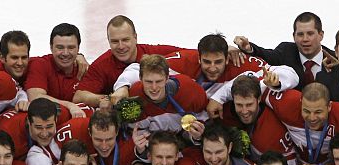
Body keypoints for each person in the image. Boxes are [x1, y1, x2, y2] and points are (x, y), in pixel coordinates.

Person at [113, 33, 298, 103]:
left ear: (227, 59)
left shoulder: (240, 62)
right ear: (198, 58)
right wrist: (121, 88)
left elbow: (289, 72)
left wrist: (276, 80)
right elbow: (138, 68)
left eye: (218, 62)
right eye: (207, 62)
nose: (212, 67)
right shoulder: (185, 60)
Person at [72, 15, 183, 107]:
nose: (121, 46)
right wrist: (110, 99)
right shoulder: (102, 65)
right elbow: (79, 96)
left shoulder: (155, 52)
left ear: (135, 37)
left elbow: (192, 56)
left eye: (125, 40)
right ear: (108, 41)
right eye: (115, 41)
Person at [234, 12, 335, 90]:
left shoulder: (336, 60)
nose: (305, 39)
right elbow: (265, 54)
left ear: (321, 35)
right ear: (293, 36)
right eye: (300, 34)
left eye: (310, 33)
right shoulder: (286, 51)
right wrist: (248, 48)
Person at [126, 54, 208, 135]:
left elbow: (205, 120)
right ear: (140, 78)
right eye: (149, 82)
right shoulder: (132, 97)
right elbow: (131, 132)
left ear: (167, 78)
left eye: (159, 81)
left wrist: (196, 137)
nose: (154, 87)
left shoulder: (191, 91)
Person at [25, 23, 86, 116]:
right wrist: (70, 106)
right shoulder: (40, 64)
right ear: (51, 47)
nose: (65, 53)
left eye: (71, 47)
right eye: (60, 47)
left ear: (78, 48)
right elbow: (35, 98)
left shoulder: (83, 68)